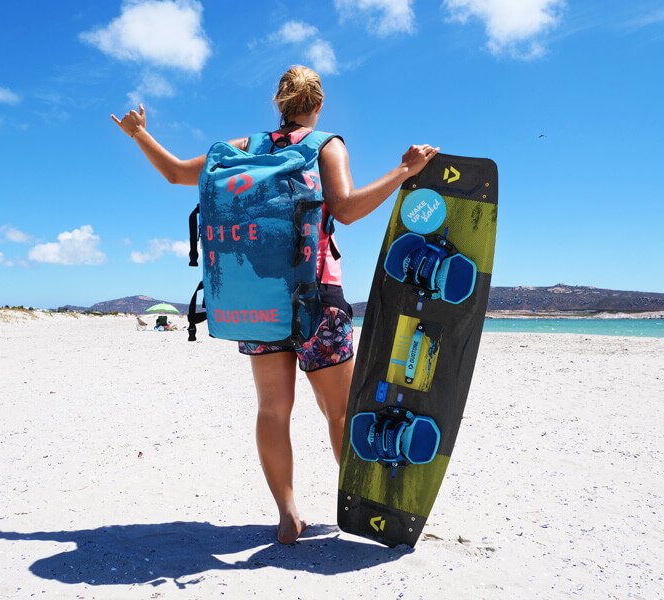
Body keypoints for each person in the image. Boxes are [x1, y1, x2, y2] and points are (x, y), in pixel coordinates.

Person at [112, 65, 438, 543]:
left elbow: (175, 173)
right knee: (341, 413)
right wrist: (405, 170)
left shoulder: (243, 149)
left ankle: (287, 517)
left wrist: (140, 133)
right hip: (316, 298)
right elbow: (345, 209)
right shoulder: (326, 143)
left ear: (278, 104)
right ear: (318, 104)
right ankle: (367, 508)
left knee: (272, 409)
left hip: (255, 301)